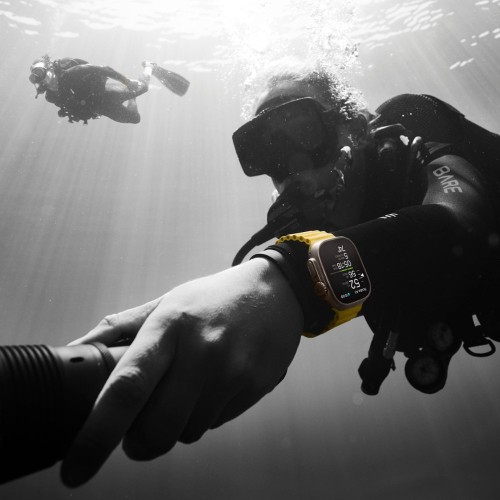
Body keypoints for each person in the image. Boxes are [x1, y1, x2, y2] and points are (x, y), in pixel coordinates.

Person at [60, 68, 500, 487]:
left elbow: (460, 221)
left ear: (355, 128)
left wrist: (289, 278)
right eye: (267, 147)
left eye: (305, 131)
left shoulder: (416, 139)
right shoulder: (325, 226)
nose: (293, 164)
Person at [29, 55, 190, 124]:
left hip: (107, 92)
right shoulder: (51, 97)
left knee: (144, 88)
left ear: (49, 68)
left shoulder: (72, 73)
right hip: (101, 108)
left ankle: (149, 66)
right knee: (135, 119)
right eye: (35, 77)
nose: (41, 78)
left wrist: (127, 82)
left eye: (40, 72)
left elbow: (104, 69)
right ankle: (132, 97)